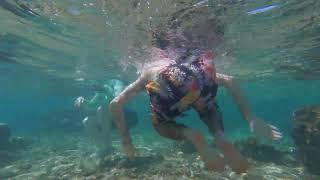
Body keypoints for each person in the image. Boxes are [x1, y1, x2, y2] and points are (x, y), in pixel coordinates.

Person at [109, 5, 282, 173]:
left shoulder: (149, 70)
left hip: (166, 79)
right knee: (207, 106)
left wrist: (126, 141)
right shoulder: (191, 59)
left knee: (160, 124)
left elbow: (115, 104)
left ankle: (192, 135)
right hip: (199, 76)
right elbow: (231, 81)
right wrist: (251, 118)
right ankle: (220, 136)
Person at [75, 79, 138, 157]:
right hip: (109, 120)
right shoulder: (102, 88)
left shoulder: (116, 82)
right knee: (87, 121)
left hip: (126, 117)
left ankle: (106, 142)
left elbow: (118, 100)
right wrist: (83, 101)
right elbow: (92, 105)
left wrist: (105, 90)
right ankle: (104, 148)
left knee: (102, 109)